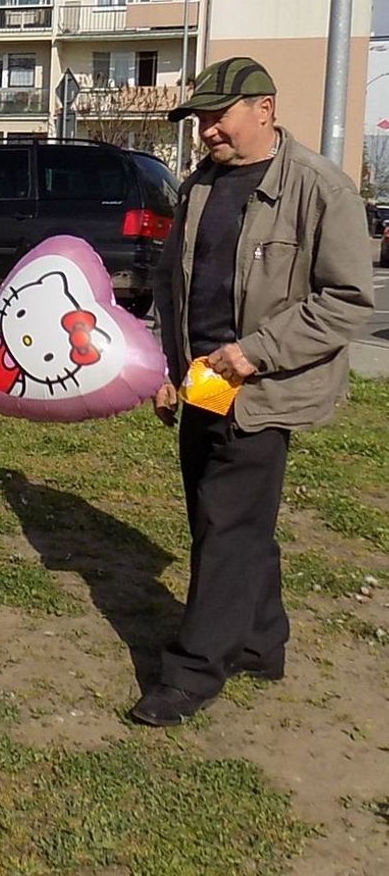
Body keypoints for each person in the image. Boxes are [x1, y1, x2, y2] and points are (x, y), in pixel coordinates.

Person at [136, 58, 374, 727]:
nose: (206, 130)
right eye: (200, 120)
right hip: (203, 384)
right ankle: (261, 641)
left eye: (218, 116)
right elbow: (172, 286)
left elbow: (347, 301)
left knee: (228, 526)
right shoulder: (199, 186)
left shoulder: (320, 189)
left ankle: (191, 673)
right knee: (223, 520)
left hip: (263, 391)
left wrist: (257, 352)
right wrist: (165, 366)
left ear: (264, 109)